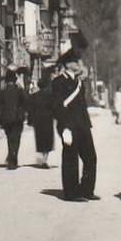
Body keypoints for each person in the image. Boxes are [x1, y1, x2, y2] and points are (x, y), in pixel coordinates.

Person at [56, 55, 98, 201]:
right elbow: (58, 106)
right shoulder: (58, 82)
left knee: (90, 157)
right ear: (68, 64)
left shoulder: (78, 82)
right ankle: (71, 193)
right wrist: (64, 128)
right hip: (70, 125)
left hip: (83, 125)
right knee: (70, 159)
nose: (79, 64)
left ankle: (86, 190)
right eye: (76, 61)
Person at [0, 68, 27, 169]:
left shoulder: (2, 92)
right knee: (16, 139)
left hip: (6, 119)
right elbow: (26, 101)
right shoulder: (19, 91)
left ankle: (11, 156)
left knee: (9, 138)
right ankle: (14, 157)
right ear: (15, 80)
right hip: (18, 118)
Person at [27, 66, 57, 167]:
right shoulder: (50, 96)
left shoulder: (34, 97)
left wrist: (30, 120)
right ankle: (45, 159)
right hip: (47, 120)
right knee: (48, 140)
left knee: (40, 139)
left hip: (38, 120)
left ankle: (42, 158)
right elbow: (54, 108)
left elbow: (30, 109)